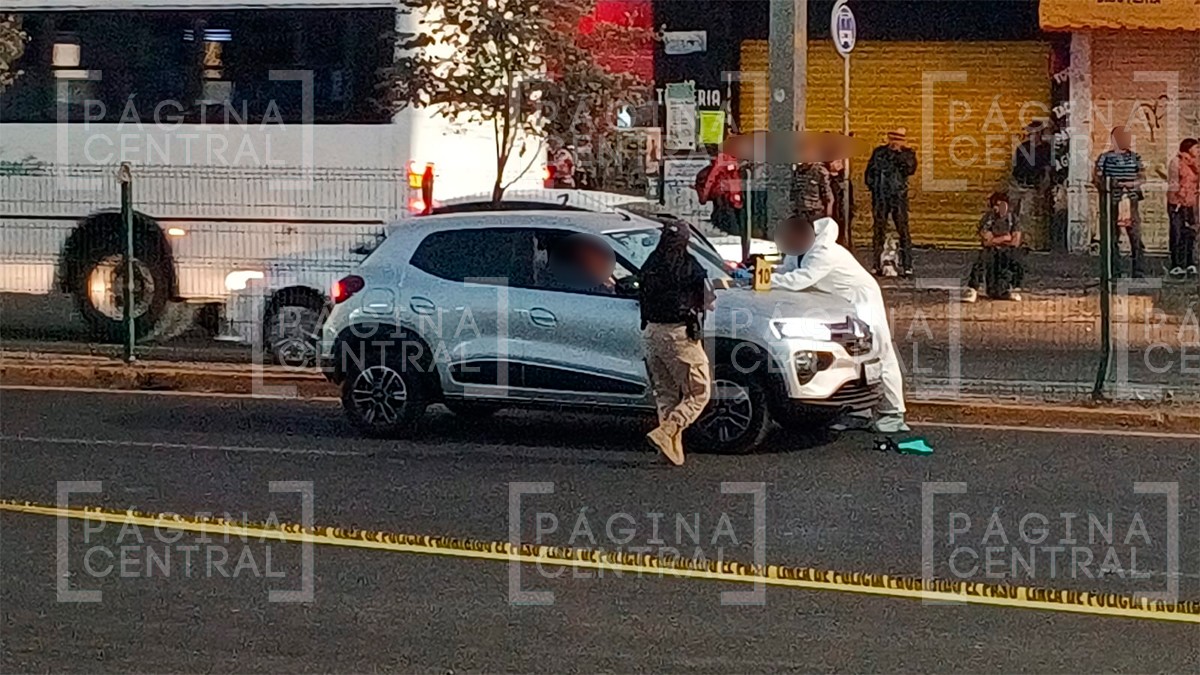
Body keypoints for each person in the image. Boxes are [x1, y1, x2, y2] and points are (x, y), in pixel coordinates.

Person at [771, 211, 908, 433]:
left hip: (862, 302)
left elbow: (799, 280)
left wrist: (766, 279)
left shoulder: (824, 251)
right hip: (839, 307)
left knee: (879, 353)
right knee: (851, 357)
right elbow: (787, 271)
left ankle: (894, 412)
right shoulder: (798, 251)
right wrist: (761, 272)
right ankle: (860, 411)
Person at [639, 219, 714, 466]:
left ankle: (670, 451)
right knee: (699, 392)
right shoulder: (689, 265)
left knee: (666, 393)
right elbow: (707, 299)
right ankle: (668, 430)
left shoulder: (650, 262)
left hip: (650, 334)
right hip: (678, 335)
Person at [1094, 126, 1147, 278]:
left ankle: (1138, 271)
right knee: (1111, 238)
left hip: (1131, 202)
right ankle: (1113, 270)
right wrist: (1111, 184)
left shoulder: (1135, 157)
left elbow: (1142, 177)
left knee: (1135, 237)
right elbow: (1097, 178)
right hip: (1112, 201)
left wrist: (1132, 184)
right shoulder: (1104, 158)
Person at [865, 128, 918, 277]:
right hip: (881, 197)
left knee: (903, 230)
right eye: (893, 139)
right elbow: (870, 171)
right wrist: (873, 187)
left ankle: (907, 265)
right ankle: (876, 264)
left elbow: (910, 169)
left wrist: (899, 154)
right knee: (879, 230)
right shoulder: (879, 153)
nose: (895, 142)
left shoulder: (907, 154)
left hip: (898, 197)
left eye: (898, 140)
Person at [964, 192, 1024, 303]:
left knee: (1017, 259)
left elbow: (1015, 241)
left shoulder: (1013, 219)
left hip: (1006, 251)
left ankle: (1014, 288)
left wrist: (996, 240)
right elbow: (987, 241)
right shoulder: (988, 219)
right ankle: (972, 289)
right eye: (996, 205)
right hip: (992, 250)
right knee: (982, 258)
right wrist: (1005, 238)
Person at [1009, 120, 1052, 236]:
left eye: (1034, 133)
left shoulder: (1046, 149)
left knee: (1026, 213)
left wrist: (1043, 185)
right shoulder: (1022, 147)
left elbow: (1047, 168)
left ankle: (1025, 240)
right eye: (1030, 133)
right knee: (1012, 212)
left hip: (1032, 186)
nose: (1031, 136)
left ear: (1040, 134)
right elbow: (1015, 166)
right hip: (1018, 183)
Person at [1166, 138, 1199, 278]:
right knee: (1177, 232)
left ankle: (1189, 262)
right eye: (1196, 148)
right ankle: (1176, 264)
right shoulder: (1176, 162)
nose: (1198, 151)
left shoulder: (1197, 164)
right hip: (1177, 203)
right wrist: (1179, 198)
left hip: (1193, 202)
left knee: (1190, 233)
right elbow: (1173, 182)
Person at [695, 145, 744, 237]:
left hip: (724, 197)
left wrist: (704, 197)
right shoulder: (731, 159)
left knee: (724, 220)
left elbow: (711, 179)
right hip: (730, 197)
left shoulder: (722, 160)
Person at [828, 158, 855, 250]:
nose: (839, 164)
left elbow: (848, 197)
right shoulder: (826, 178)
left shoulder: (844, 180)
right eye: (836, 161)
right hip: (831, 211)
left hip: (841, 211)